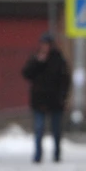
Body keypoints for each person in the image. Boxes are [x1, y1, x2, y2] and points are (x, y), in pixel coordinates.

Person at [21, 32, 71, 163]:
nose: (45, 47)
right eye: (43, 44)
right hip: (39, 100)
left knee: (56, 130)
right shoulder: (36, 58)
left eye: (47, 44)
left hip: (55, 101)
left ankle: (57, 154)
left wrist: (63, 97)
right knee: (38, 128)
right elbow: (26, 73)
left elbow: (65, 80)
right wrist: (38, 62)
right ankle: (37, 155)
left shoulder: (58, 60)